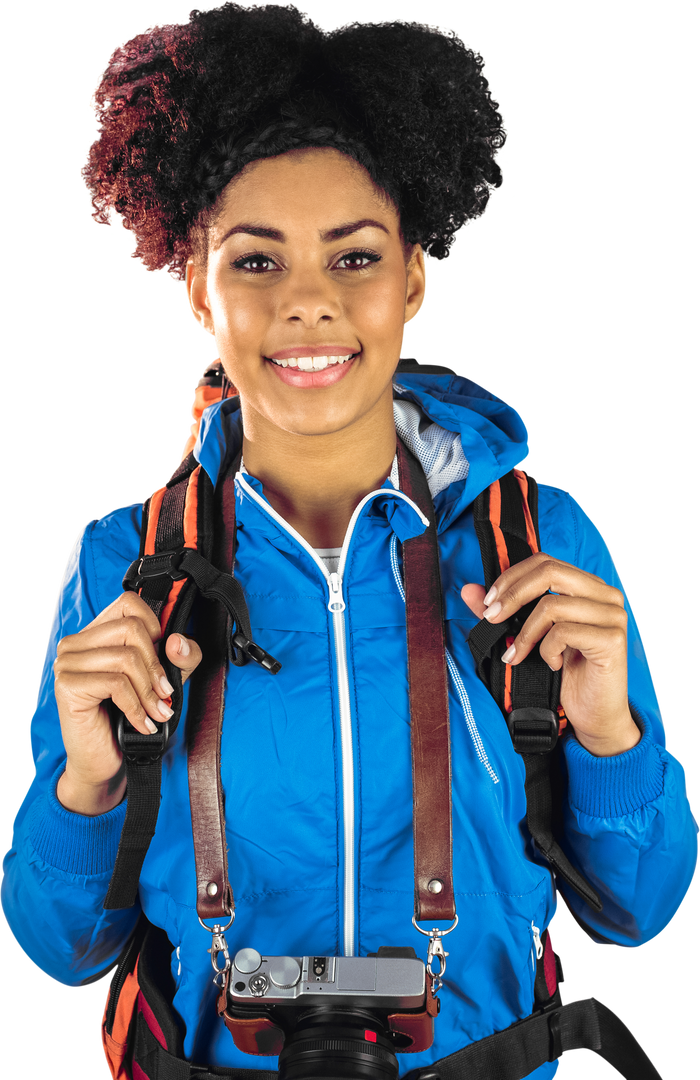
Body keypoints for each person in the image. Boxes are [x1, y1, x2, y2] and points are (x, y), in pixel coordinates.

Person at [1, 5, 696, 1077]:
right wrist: (83, 785)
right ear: (197, 290)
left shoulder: (537, 542)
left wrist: (608, 735)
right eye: (257, 263)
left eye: (355, 257)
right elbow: (64, 949)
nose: (311, 304)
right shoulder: (121, 559)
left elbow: (637, 916)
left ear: (412, 279)